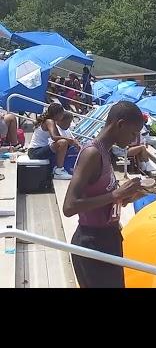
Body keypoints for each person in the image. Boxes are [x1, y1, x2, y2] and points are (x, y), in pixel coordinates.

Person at [62, 101, 147, 288]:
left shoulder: (106, 153)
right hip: (92, 242)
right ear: (120, 124)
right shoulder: (92, 154)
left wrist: (126, 197)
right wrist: (115, 194)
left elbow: (104, 198)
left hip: (108, 237)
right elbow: (69, 206)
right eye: (133, 133)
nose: (134, 140)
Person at [27, 103, 79, 180]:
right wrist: (70, 140)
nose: (62, 116)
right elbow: (54, 137)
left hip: (38, 150)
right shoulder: (49, 121)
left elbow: (58, 136)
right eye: (62, 114)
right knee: (63, 143)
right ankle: (59, 171)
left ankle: (57, 168)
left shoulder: (51, 121)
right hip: (35, 152)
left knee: (63, 142)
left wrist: (72, 141)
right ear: (58, 114)